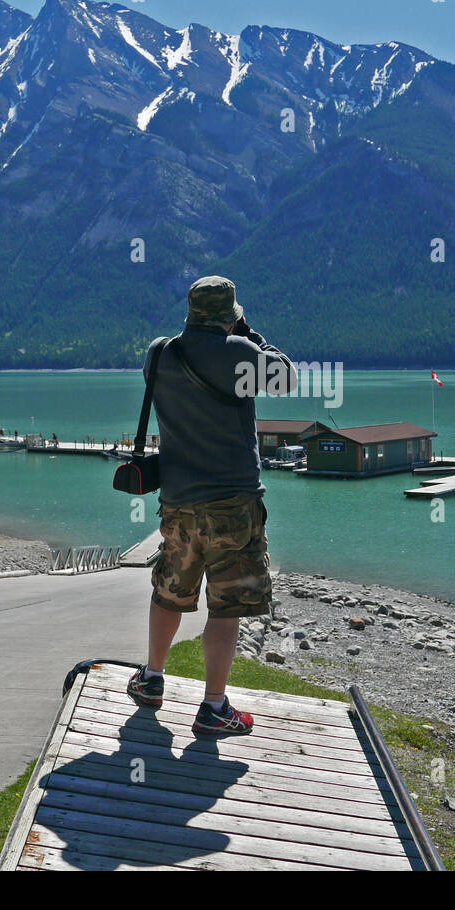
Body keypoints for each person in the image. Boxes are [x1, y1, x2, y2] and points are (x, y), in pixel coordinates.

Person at [127, 276, 296, 738]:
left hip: (178, 502)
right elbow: (288, 376)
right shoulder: (240, 354)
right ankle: (213, 707)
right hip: (233, 504)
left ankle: (152, 680)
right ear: (230, 312)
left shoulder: (159, 352)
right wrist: (251, 335)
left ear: (190, 310)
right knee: (226, 607)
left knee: (169, 592)